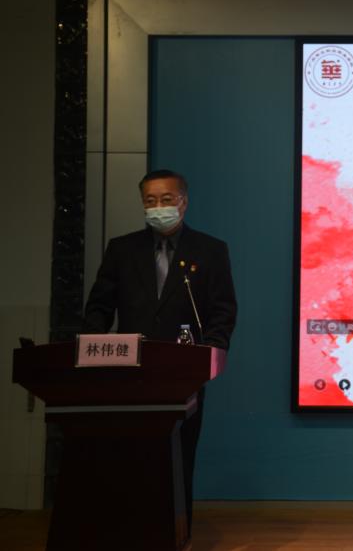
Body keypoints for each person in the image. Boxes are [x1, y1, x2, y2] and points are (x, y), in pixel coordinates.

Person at [83, 169, 238, 532]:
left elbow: (223, 309)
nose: (158, 207)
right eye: (150, 201)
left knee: (180, 453)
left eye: (166, 199)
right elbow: (99, 306)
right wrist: (92, 344)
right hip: (128, 371)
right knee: (130, 455)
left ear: (184, 201)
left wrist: (211, 352)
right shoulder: (122, 249)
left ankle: (176, 532)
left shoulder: (210, 250)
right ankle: (130, 530)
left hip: (183, 372)